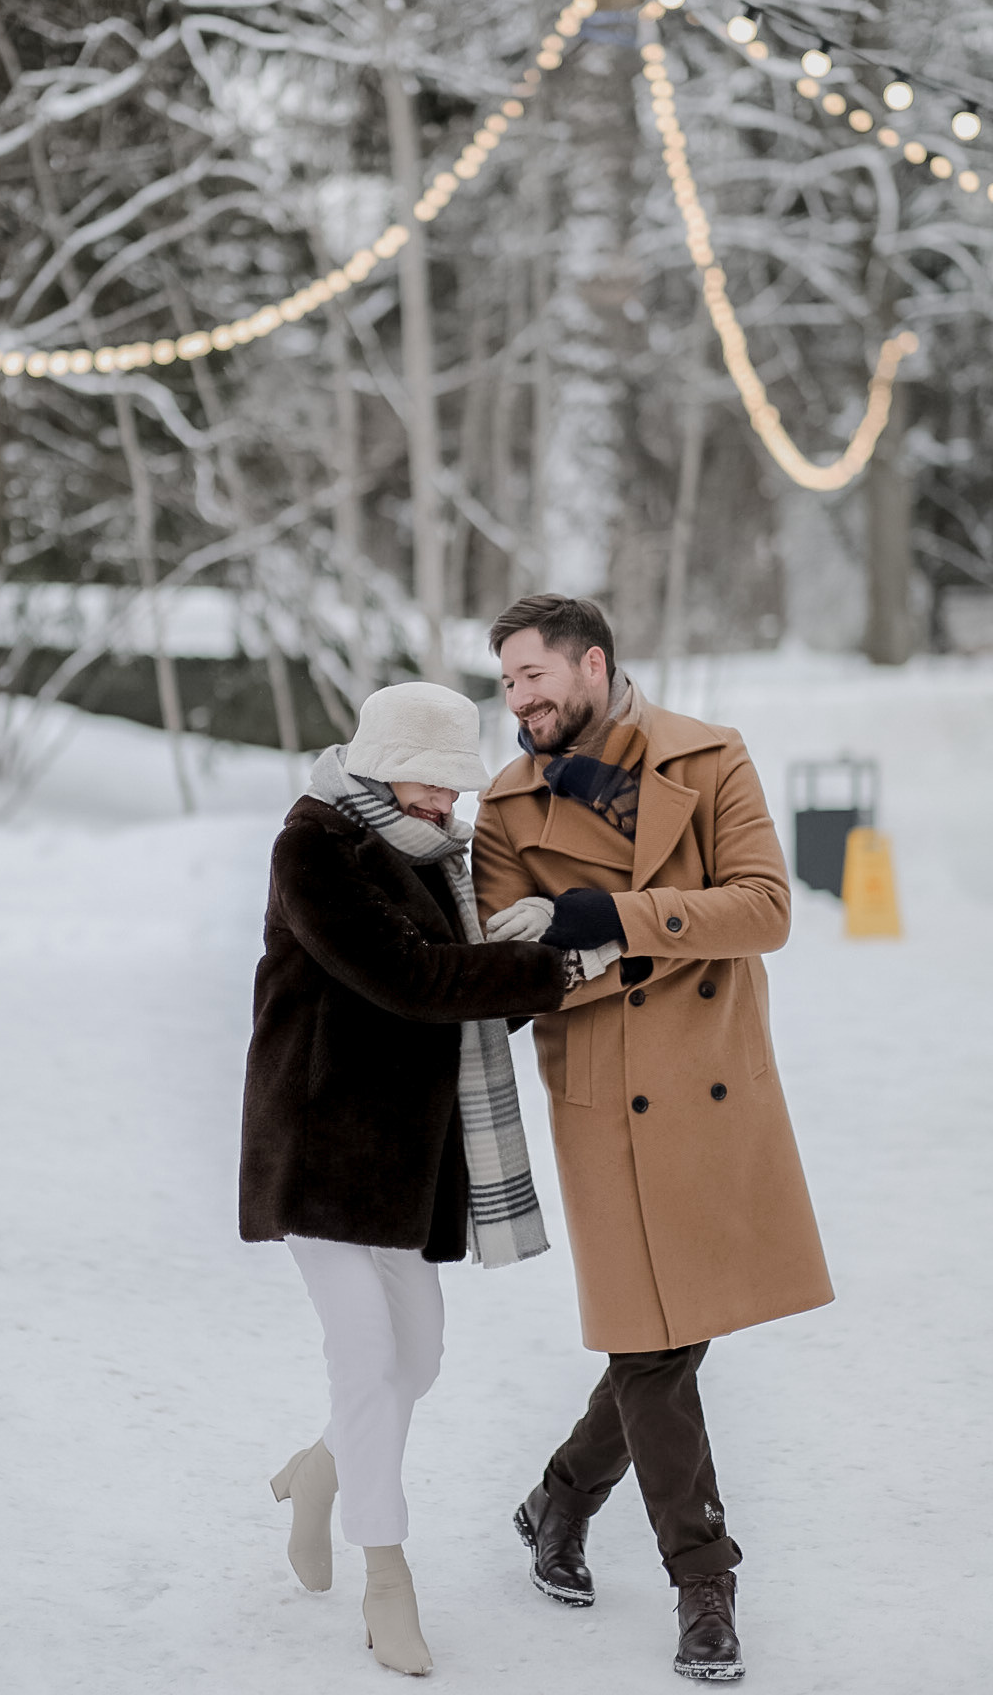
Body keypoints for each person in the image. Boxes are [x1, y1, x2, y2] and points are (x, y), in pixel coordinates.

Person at [472, 595, 834, 1683]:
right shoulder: (504, 807)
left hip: (716, 1084)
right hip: (605, 1099)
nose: (519, 700)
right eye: (504, 685)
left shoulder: (710, 757)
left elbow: (764, 908)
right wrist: (589, 949)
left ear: (591, 663)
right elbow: (512, 978)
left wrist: (610, 922)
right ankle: (703, 1585)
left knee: (667, 1336)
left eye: (533, 676)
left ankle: (556, 1501)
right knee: (651, 1341)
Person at [240, 681, 618, 1677]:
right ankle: (387, 1578)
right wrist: (551, 970)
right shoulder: (314, 846)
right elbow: (409, 980)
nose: (446, 805)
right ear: (379, 763)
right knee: (366, 1358)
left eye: (455, 788)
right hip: (317, 1145)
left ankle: (322, 1470)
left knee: (416, 1361)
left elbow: (457, 989)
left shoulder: (434, 860)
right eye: (431, 784)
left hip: (403, 1160)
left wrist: (527, 955)